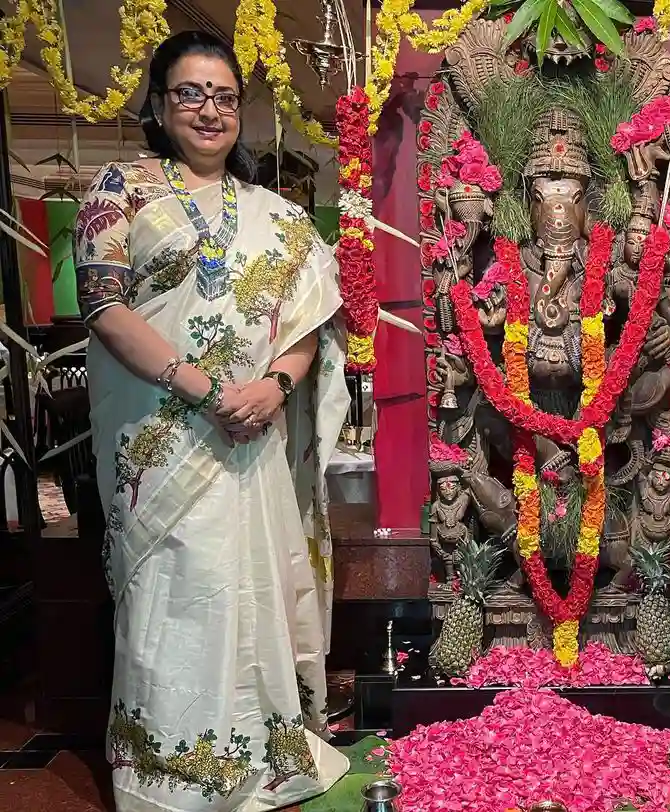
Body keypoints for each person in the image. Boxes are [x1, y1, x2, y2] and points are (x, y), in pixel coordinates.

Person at [75, 30, 350, 810]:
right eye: (190, 93)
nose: (209, 110)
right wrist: (202, 390)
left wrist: (272, 385)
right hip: (161, 443)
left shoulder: (280, 216)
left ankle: (265, 757)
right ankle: (168, 774)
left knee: (249, 583)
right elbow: (104, 307)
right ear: (159, 106)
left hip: (252, 437)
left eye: (225, 97)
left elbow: (307, 323)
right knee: (176, 589)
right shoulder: (117, 191)